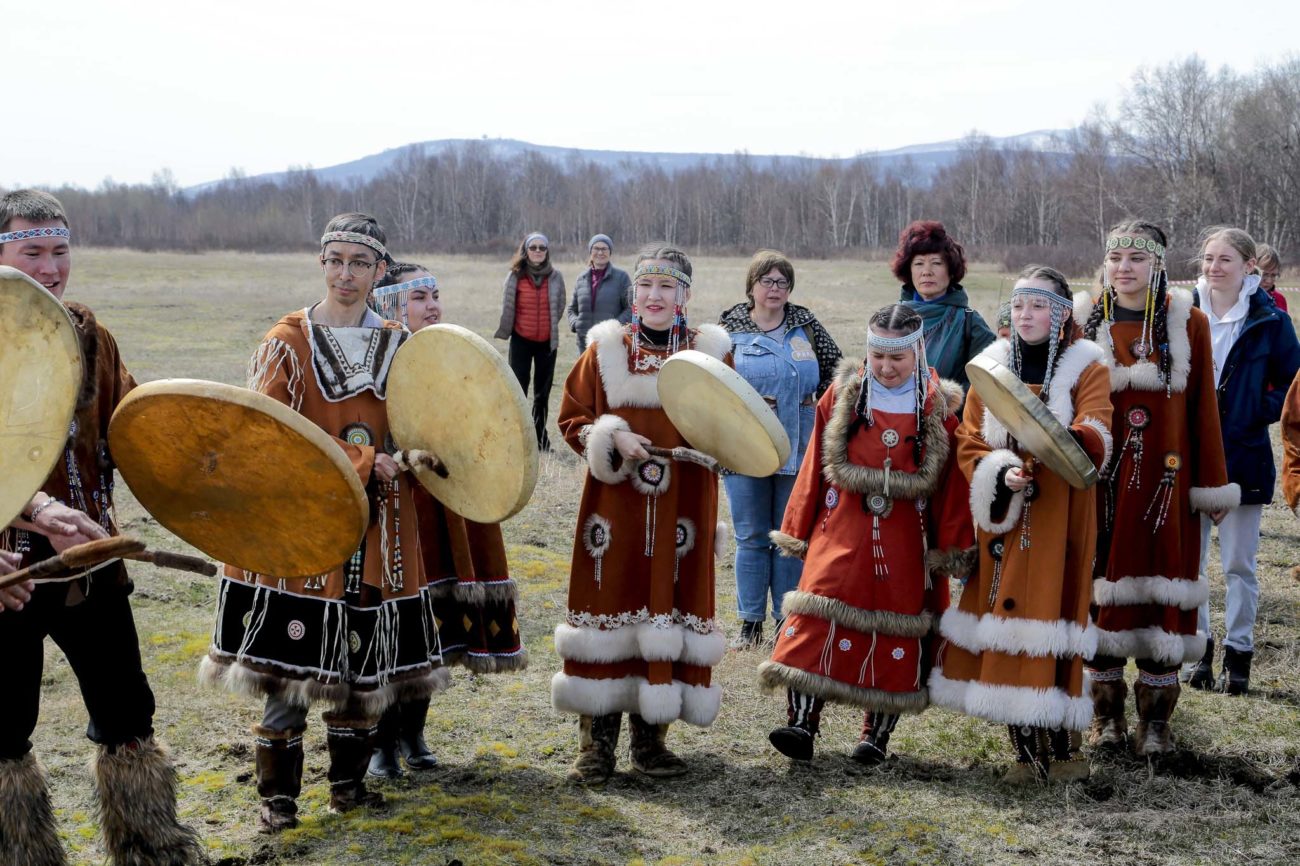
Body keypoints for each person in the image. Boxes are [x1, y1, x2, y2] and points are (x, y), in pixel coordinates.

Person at [201, 214, 447, 831]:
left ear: (378, 271)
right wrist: (367, 459)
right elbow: (266, 441)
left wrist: (411, 456)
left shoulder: (401, 344)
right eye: (335, 260)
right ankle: (278, 802)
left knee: (360, 667)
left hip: (377, 526)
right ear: (321, 263)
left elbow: (423, 427)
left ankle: (348, 789)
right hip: (301, 526)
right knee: (289, 672)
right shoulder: (287, 342)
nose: (345, 274)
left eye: (359, 263)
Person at [0, 189, 203, 865]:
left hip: (90, 561)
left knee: (127, 715)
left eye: (61, 251)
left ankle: (150, 846)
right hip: (9, 574)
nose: (53, 268)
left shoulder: (91, 336)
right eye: (33, 251)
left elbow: (136, 435)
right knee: (2, 730)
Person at [759, 304, 974, 765]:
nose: (885, 367)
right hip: (840, 527)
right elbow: (815, 464)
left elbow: (953, 487)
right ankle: (801, 724)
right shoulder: (843, 396)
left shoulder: (938, 409)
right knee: (818, 611)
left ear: (918, 351)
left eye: (896, 358)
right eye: (877, 355)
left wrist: (953, 548)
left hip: (905, 538)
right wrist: (799, 525)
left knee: (895, 623)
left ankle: (874, 737)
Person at [551, 243, 730, 785]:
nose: (655, 296)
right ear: (636, 293)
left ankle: (651, 743)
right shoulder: (605, 350)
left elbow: (732, 423)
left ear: (685, 296)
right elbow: (572, 419)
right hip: (616, 507)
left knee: (667, 607)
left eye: (667, 287)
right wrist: (613, 435)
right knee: (613, 603)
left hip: (685, 508)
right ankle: (595, 746)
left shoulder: (710, 355)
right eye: (647, 286)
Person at [932, 266, 1112, 782]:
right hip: (1005, 518)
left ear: (1059, 315)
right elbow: (969, 439)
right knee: (1007, 616)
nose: (1025, 315)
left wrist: (1045, 448)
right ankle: (1024, 753)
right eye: (1018, 306)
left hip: (1060, 510)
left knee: (1055, 615)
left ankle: (1065, 750)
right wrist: (998, 469)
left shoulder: (1086, 366)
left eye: (1038, 306)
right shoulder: (989, 367)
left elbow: (1097, 425)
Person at [1077, 220, 1237, 756]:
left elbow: (1204, 411)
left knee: (1164, 594)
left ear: (1158, 265)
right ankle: (1106, 718)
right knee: (1101, 589)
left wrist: (1213, 484)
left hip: (1167, 487)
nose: (1124, 267)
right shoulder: (1082, 320)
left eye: (1136, 259)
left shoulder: (1185, 321)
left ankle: (1156, 724)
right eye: (1116, 256)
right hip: (1101, 486)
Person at [365, 263, 527, 779]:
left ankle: (414, 732)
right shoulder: (373, 364)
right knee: (398, 624)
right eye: (419, 297)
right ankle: (380, 742)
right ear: (391, 305)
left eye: (436, 295)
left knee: (437, 625)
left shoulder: (450, 356)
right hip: (394, 507)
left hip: (447, 502)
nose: (433, 305)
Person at [1182, 228, 1300, 695]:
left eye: (1225, 259)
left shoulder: (1271, 321)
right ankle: (1200, 654)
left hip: (1246, 455)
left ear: (1249, 265)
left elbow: (1291, 389)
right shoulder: (1182, 312)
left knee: (1239, 565)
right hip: (1187, 459)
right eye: (1209, 258)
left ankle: (1239, 656)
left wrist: (1252, 411)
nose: (1214, 267)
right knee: (1192, 565)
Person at [718, 250, 842, 649]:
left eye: (782, 282)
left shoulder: (806, 326)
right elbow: (710, 386)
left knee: (788, 535)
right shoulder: (727, 329)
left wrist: (827, 422)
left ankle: (784, 622)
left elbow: (839, 375)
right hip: (745, 446)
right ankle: (749, 622)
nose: (775, 289)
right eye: (767, 281)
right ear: (751, 285)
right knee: (752, 535)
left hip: (800, 444)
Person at [894, 220, 996, 396]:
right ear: (909, 271)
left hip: (949, 420)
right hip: (894, 420)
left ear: (951, 270)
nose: (927, 271)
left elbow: (989, 384)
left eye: (936, 263)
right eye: (919, 264)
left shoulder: (969, 323)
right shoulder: (892, 319)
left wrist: (945, 400)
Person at [495, 232, 566, 450]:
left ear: (547, 252)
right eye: (533, 247)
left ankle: (539, 438)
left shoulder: (555, 277)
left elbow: (560, 305)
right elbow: (507, 305)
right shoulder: (515, 276)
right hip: (521, 342)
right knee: (518, 391)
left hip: (547, 343)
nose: (537, 251)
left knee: (542, 395)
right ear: (525, 251)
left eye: (541, 248)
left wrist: (547, 327)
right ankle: (516, 438)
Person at [566, 233, 631, 352]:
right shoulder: (581, 278)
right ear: (590, 251)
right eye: (596, 248)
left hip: (611, 342)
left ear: (610, 252)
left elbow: (631, 309)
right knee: (586, 371)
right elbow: (571, 309)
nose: (600, 252)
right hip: (584, 342)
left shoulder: (622, 277)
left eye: (604, 249)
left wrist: (612, 328)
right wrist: (576, 324)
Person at [1256, 244, 1289, 314]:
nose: (1269, 281)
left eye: (1273, 275)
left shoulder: (1280, 300)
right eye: (1264, 274)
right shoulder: (1238, 298)